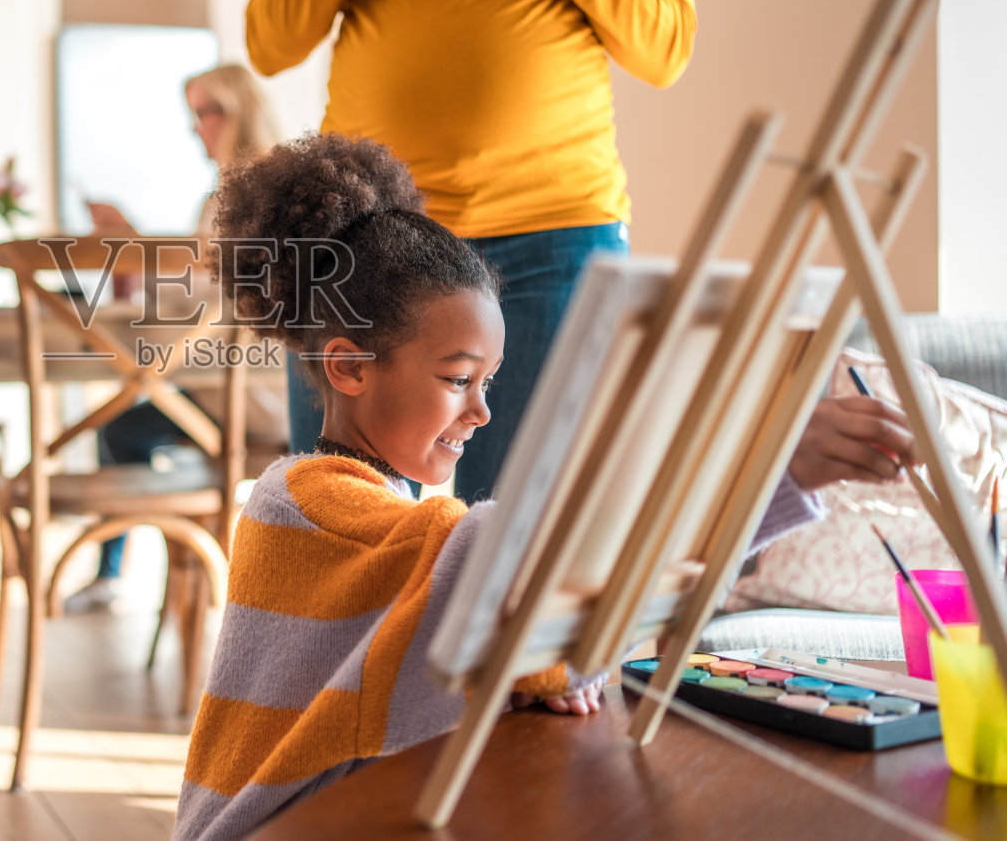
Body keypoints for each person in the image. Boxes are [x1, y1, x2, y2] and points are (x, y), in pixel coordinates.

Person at [173, 135, 914, 841]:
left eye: (486, 381)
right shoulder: (306, 505)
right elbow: (497, 560)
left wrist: (525, 667)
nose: (482, 409)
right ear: (350, 366)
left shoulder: (379, 511)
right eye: (458, 378)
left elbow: (407, 664)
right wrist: (760, 465)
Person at [247, 0, 696, 504]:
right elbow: (268, 40)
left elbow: (665, 47)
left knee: (520, 546)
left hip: (556, 228)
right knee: (340, 525)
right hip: (368, 236)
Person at [66, 64, 282, 612]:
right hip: (270, 393)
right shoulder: (268, 189)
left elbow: (200, 299)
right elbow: (203, 293)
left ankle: (137, 563)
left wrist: (129, 244)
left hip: (250, 400)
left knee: (118, 431)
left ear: (236, 113)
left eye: (204, 113)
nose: (197, 129)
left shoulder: (237, 198)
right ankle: (175, 551)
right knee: (131, 423)